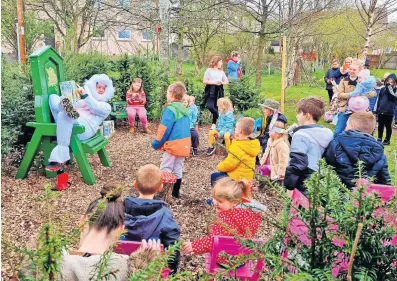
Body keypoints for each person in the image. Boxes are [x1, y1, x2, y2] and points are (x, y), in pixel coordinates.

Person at [60, 183, 160, 281]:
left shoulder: (54, 263)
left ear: (82, 222)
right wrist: (144, 269)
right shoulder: (125, 270)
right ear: (120, 231)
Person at [46, 74, 114, 172]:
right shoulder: (82, 101)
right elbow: (74, 104)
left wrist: (85, 95)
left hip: (85, 128)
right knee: (54, 98)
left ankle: (68, 111)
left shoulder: (106, 106)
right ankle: (64, 107)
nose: (101, 90)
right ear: (93, 87)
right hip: (69, 123)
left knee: (66, 114)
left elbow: (94, 107)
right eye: (99, 87)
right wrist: (71, 95)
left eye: (103, 88)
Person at [182, 177, 264, 256]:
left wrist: (194, 246)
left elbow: (215, 242)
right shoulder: (250, 213)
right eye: (214, 198)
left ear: (234, 202)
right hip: (242, 257)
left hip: (226, 258)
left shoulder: (225, 220)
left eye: (220, 201)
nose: (215, 202)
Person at [123, 164, 181, 273]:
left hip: (122, 262)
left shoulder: (120, 209)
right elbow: (173, 243)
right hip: (150, 265)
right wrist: (171, 270)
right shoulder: (164, 214)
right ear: (160, 187)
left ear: (135, 185)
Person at [325, 112, 391, 190]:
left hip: (337, 193)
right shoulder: (379, 151)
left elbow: (326, 165)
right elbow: (384, 180)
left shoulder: (336, 143)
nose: (345, 128)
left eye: (346, 125)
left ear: (352, 127)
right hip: (364, 197)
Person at [284, 97, 333, 195]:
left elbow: (296, 163)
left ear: (307, 115)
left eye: (299, 113)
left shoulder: (301, 135)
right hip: (319, 179)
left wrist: (289, 187)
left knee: (297, 208)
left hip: (302, 180)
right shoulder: (328, 133)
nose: (297, 116)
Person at [152, 82, 191, 198]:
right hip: (184, 143)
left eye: (167, 93)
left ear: (171, 93)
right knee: (178, 167)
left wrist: (156, 143)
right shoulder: (184, 109)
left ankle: (162, 194)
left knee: (166, 167)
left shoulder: (171, 109)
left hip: (173, 144)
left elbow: (164, 129)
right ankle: (175, 193)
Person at [211, 117, 260, 186]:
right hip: (247, 178)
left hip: (237, 179)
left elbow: (230, 164)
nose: (234, 129)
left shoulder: (237, 146)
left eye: (236, 128)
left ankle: (219, 195)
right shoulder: (251, 144)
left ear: (240, 130)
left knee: (214, 176)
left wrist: (219, 167)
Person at [334, 61, 376, 137]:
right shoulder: (344, 81)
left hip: (362, 110)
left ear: (359, 70)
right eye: (350, 69)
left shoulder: (365, 81)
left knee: (365, 132)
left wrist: (362, 95)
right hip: (346, 109)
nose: (351, 71)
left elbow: (374, 92)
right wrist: (352, 95)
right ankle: (335, 147)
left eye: (354, 70)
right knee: (338, 131)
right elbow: (339, 94)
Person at [202, 55, 229, 129]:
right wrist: (214, 82)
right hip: (210, 89)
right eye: (220, 62)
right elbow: (204, 80)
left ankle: (214, 124)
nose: (221, 63)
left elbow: (226, 81)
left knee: (217, 106)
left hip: (219, 89)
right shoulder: (209, 70)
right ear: (216, 62)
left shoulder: (221, 72)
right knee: (210, 106)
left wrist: (221, 82)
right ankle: (221, 118)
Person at [374, 73, 397, 145]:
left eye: (392, 82)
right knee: (380, 125)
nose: (389, 83)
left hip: (389, 111)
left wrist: (389, 87)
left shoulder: (395, 90)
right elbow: (379, 100)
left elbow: (392, 96)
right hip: (381, 110)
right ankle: (379, 138)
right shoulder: (383, 89)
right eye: (388, 81)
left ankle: (387, 140)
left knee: (388, 126)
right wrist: (377, 110)